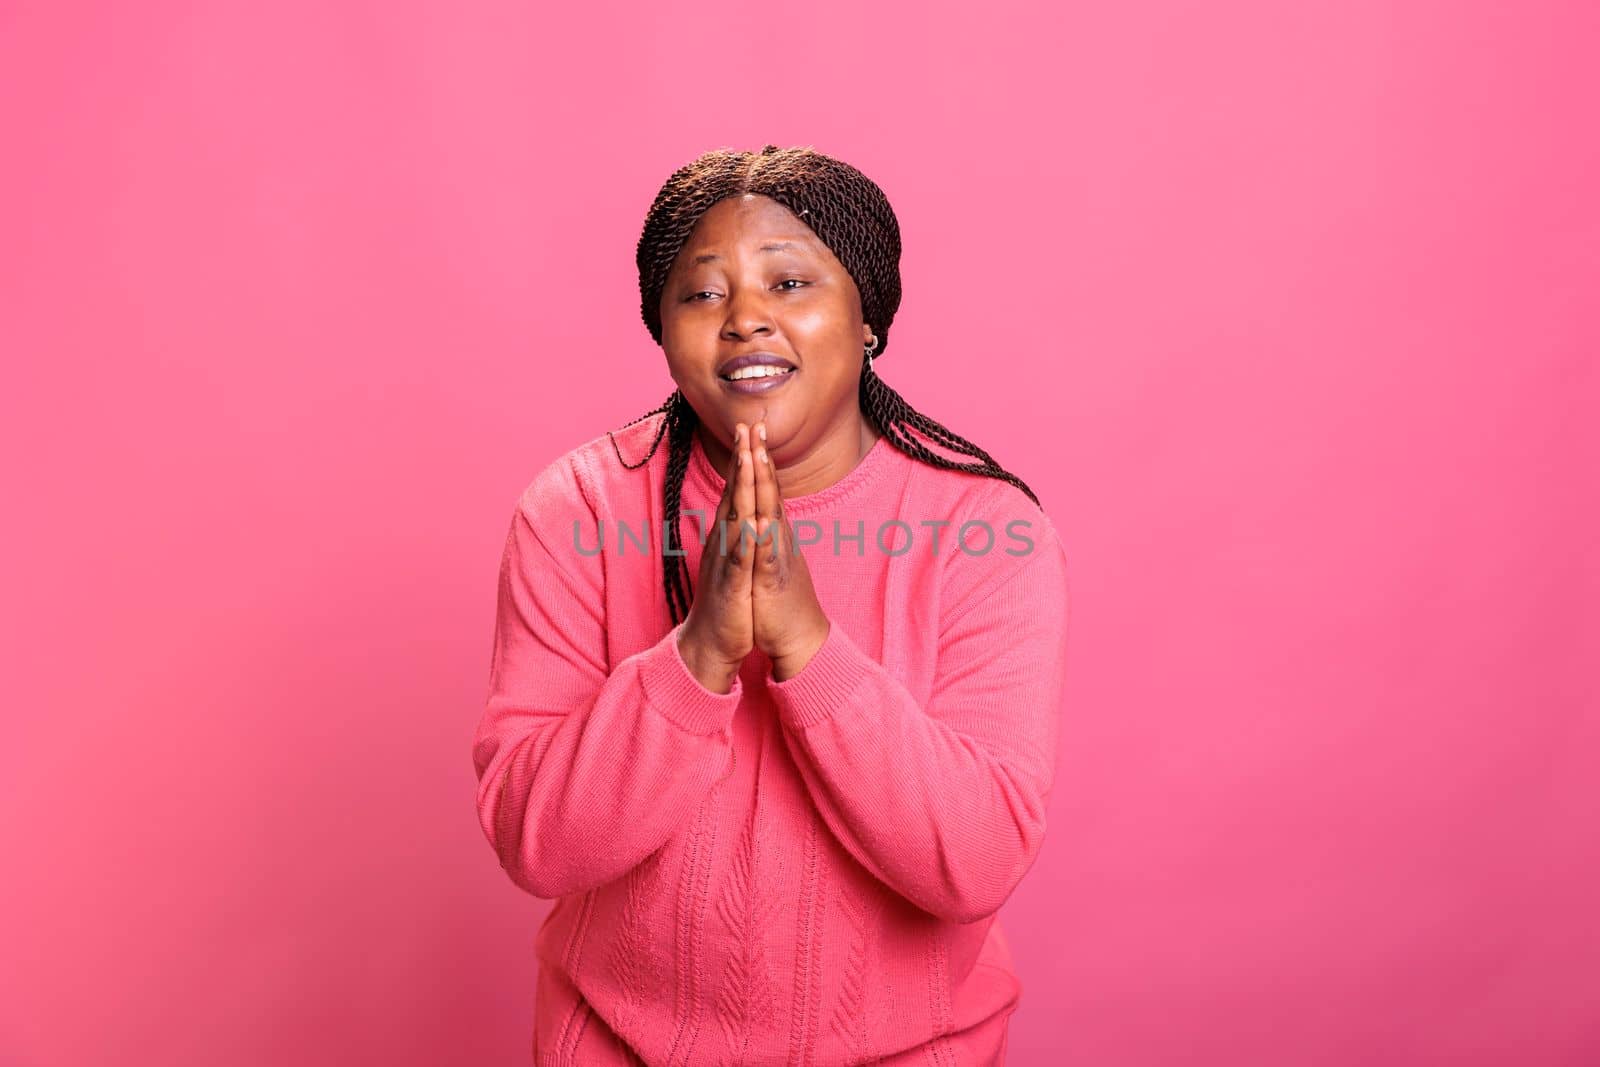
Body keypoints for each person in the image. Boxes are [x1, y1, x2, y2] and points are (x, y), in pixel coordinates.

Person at [471, 144, 1071, 1065]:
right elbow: (535, 842)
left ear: (868, 315)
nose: (746, 319)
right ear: (661, 327)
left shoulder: (987, 529)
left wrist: (807, 645)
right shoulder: (578, 510)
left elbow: (977, 860)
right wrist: (700, 650)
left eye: (790, 282)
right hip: (616, 1043)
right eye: (702, 294)